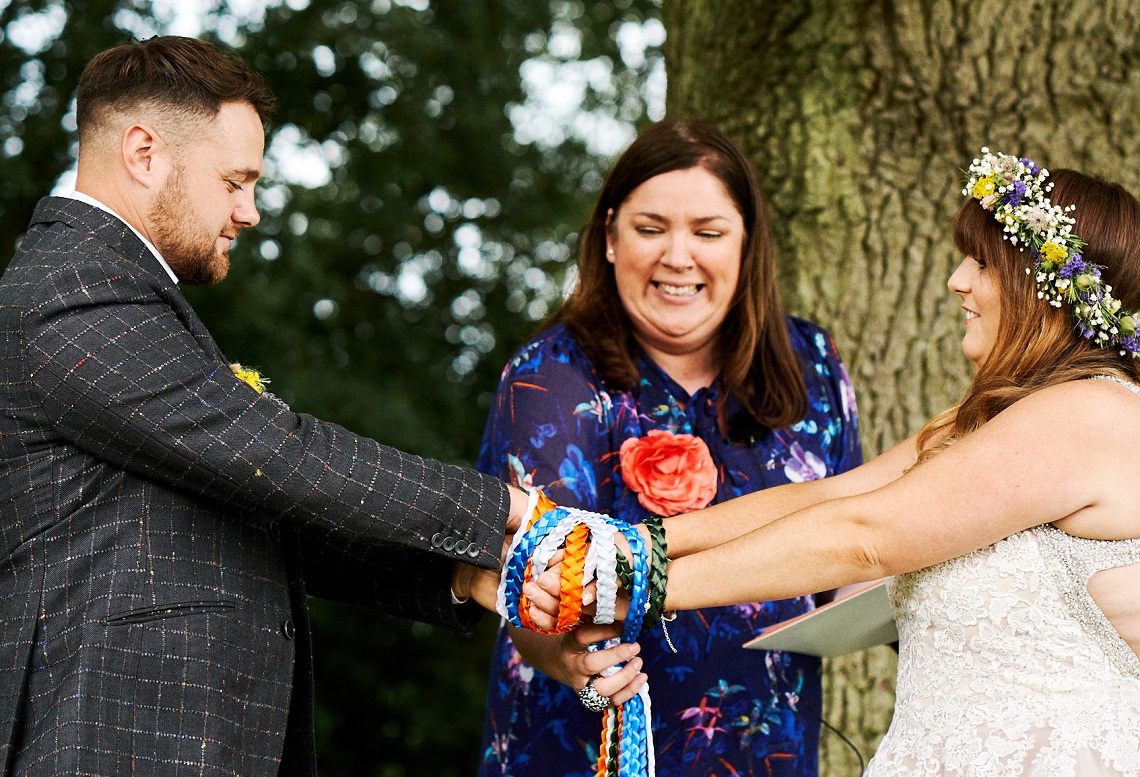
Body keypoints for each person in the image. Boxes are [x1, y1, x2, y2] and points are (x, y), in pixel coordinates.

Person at [0, 35, 535, 777]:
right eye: (235, 180)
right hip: (112, 746)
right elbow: (282, 454)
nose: (250, 211)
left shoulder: (112, 293)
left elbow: (250, 514)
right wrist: (508, 510)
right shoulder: (69, 293)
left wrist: (457, 575)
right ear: (144, 152)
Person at [529, 150, 1140, 775]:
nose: (957, 280)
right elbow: (826, 498)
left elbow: (864, 538)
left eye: (981, 263)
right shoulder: (981, 421)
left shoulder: (1090, 414)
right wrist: (623, 546)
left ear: (1042, 285)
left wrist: (631, 585)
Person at [476, 118, 862, 777]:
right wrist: (561, 650)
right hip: (588, 750)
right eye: (651, 228)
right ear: (608, 237)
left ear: (747, 245)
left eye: (708, 233)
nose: (678, 257)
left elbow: (853, 541)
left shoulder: (812, 364)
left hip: (769, 750)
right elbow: (531, 582)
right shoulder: (551, 375)